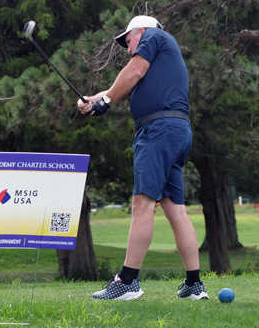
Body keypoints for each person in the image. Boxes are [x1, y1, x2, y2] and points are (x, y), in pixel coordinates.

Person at [78, 15, 207, 300]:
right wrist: (94, 100)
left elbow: (133, 71)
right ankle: (194, 285)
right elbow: (123, 87)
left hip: (158, 131)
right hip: (175, 131)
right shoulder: (159, 60)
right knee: (175, 209)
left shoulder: (154, 36)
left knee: (142, 203)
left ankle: (127, 281)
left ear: (141, 30)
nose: (128, 49)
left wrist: (105, 101)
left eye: (128, 41)